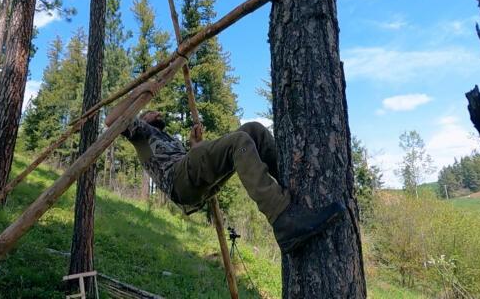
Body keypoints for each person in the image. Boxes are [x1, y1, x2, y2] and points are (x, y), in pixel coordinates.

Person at [105, 90, 346, 253]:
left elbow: (194, 168)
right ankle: (282, 219)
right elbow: (110, 119)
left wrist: (196, 146)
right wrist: (143, 90)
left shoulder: (165, 138)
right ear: (141, 117)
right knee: (238, 141)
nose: (158, 114)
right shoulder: (139, 132)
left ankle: (292, 185)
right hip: (180, 182)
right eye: (152, 112)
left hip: (191, 181)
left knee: (253, 131)